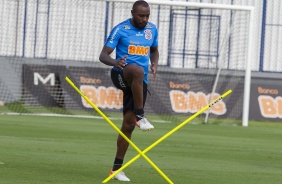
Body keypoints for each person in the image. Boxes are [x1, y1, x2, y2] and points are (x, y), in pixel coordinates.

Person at [99, 0, 159, 181]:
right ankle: (141, 116)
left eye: (147, 15)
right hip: (121, 74)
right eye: (141, 15)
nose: (144, 19)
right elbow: (103, 55)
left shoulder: (152, 29)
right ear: (132, 13)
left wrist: (154, 63)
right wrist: (115, 62)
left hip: (140, 82)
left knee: (127, 125)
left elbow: (154, 50)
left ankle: (116, 169)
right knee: (136, 70)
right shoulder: (120, 29)